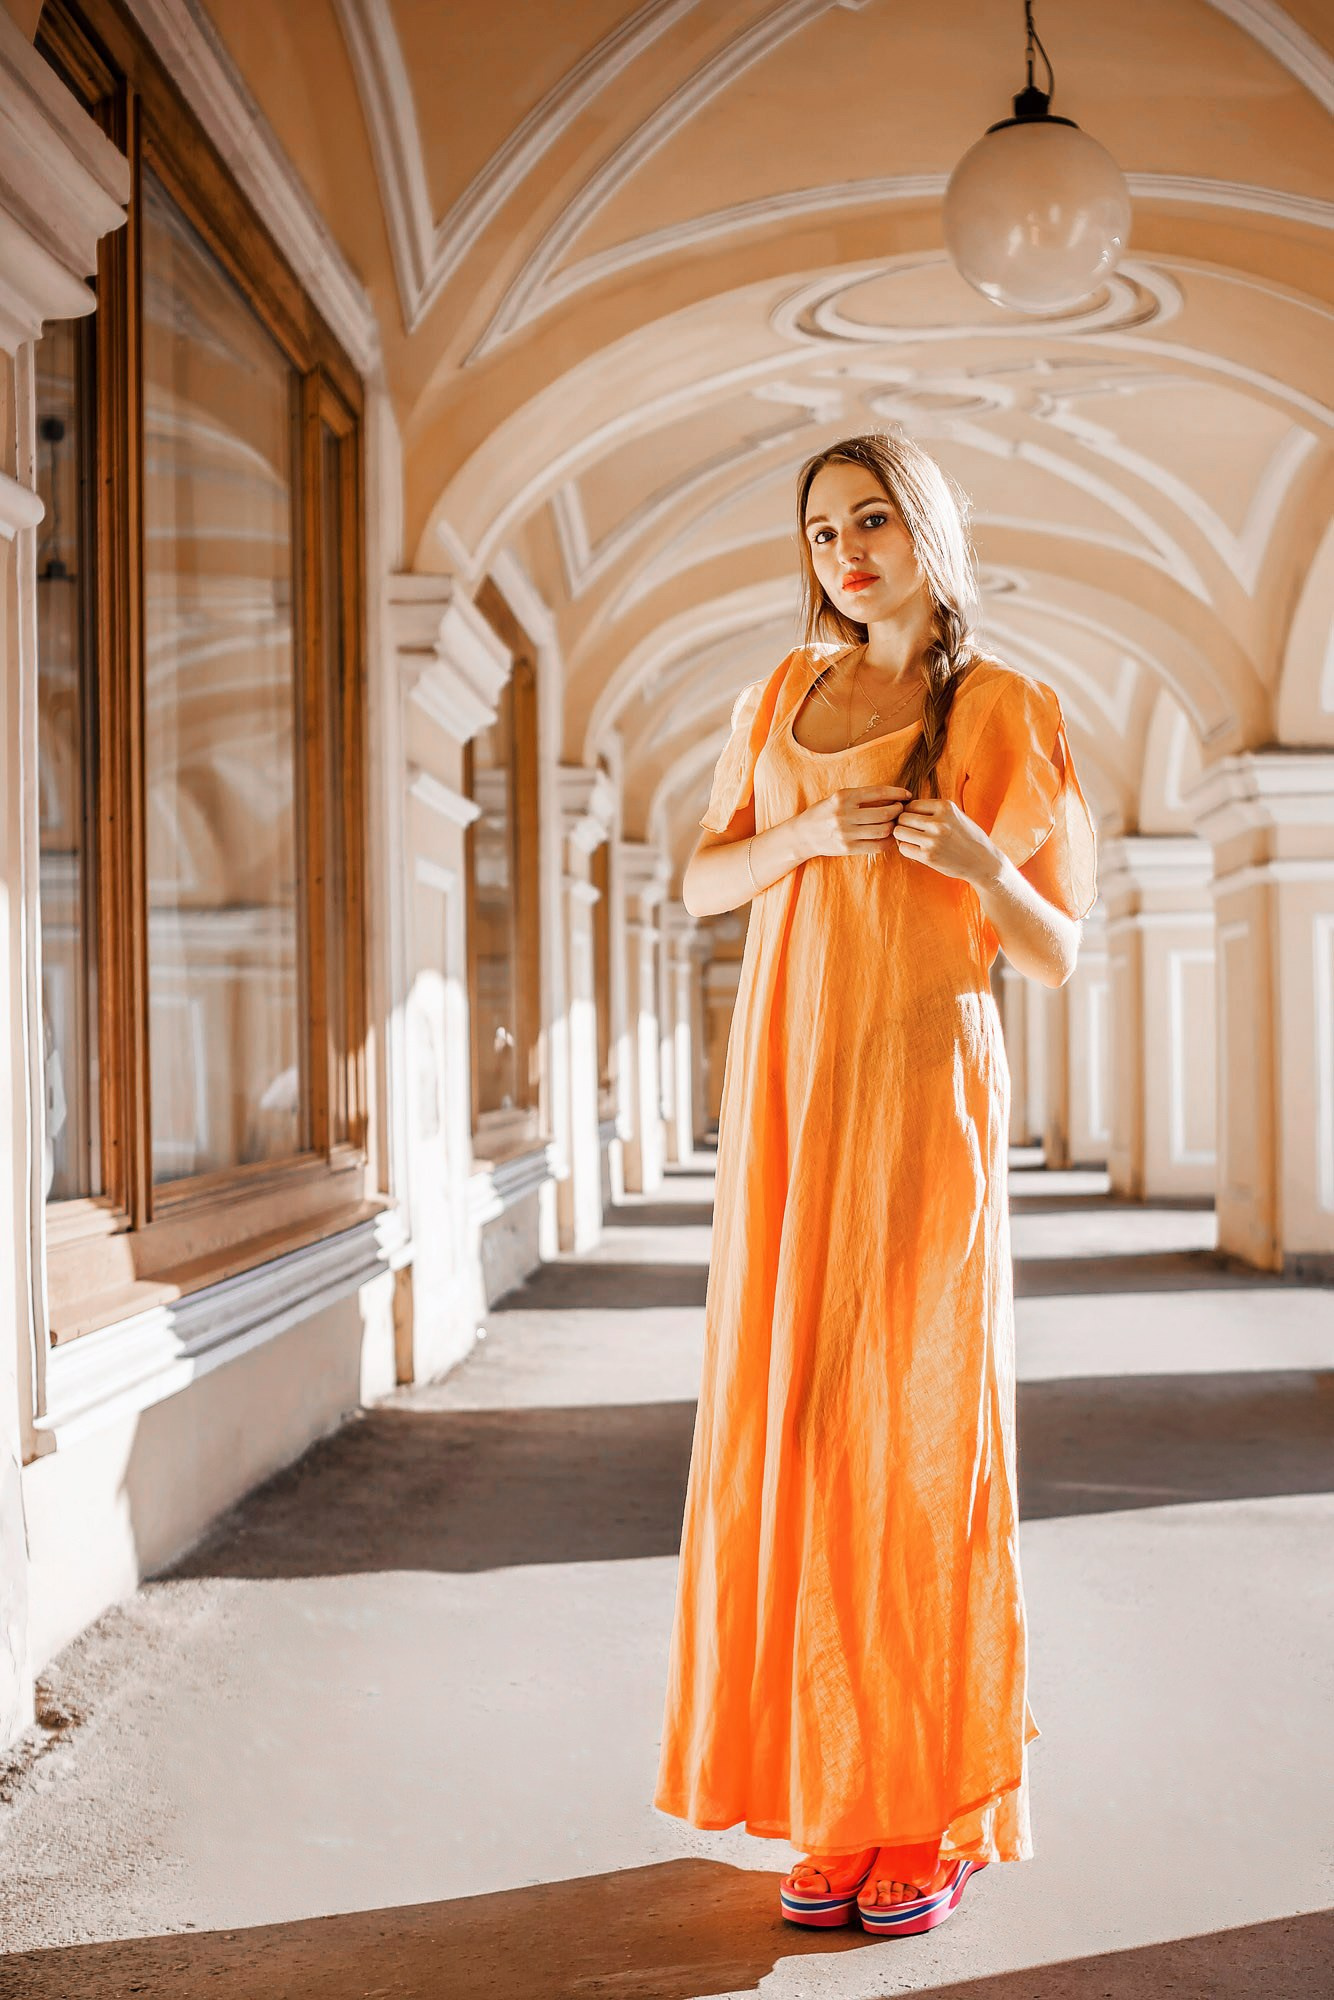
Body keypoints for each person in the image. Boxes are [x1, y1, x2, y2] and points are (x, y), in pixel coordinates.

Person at [653, 430, 1097, 1938]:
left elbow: (1054, 949)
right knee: (799, 1433)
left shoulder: (1004, 705)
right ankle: (836, 1803)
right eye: (822, 527)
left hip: (919, 1097)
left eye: (872, 519)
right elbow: (703, 881)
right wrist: (789, 835)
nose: (844, 550)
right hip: (788, 1100)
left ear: (927, 529)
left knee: (915, 1434)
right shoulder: (777, 694)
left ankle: (929, 1808)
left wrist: (978, 860)